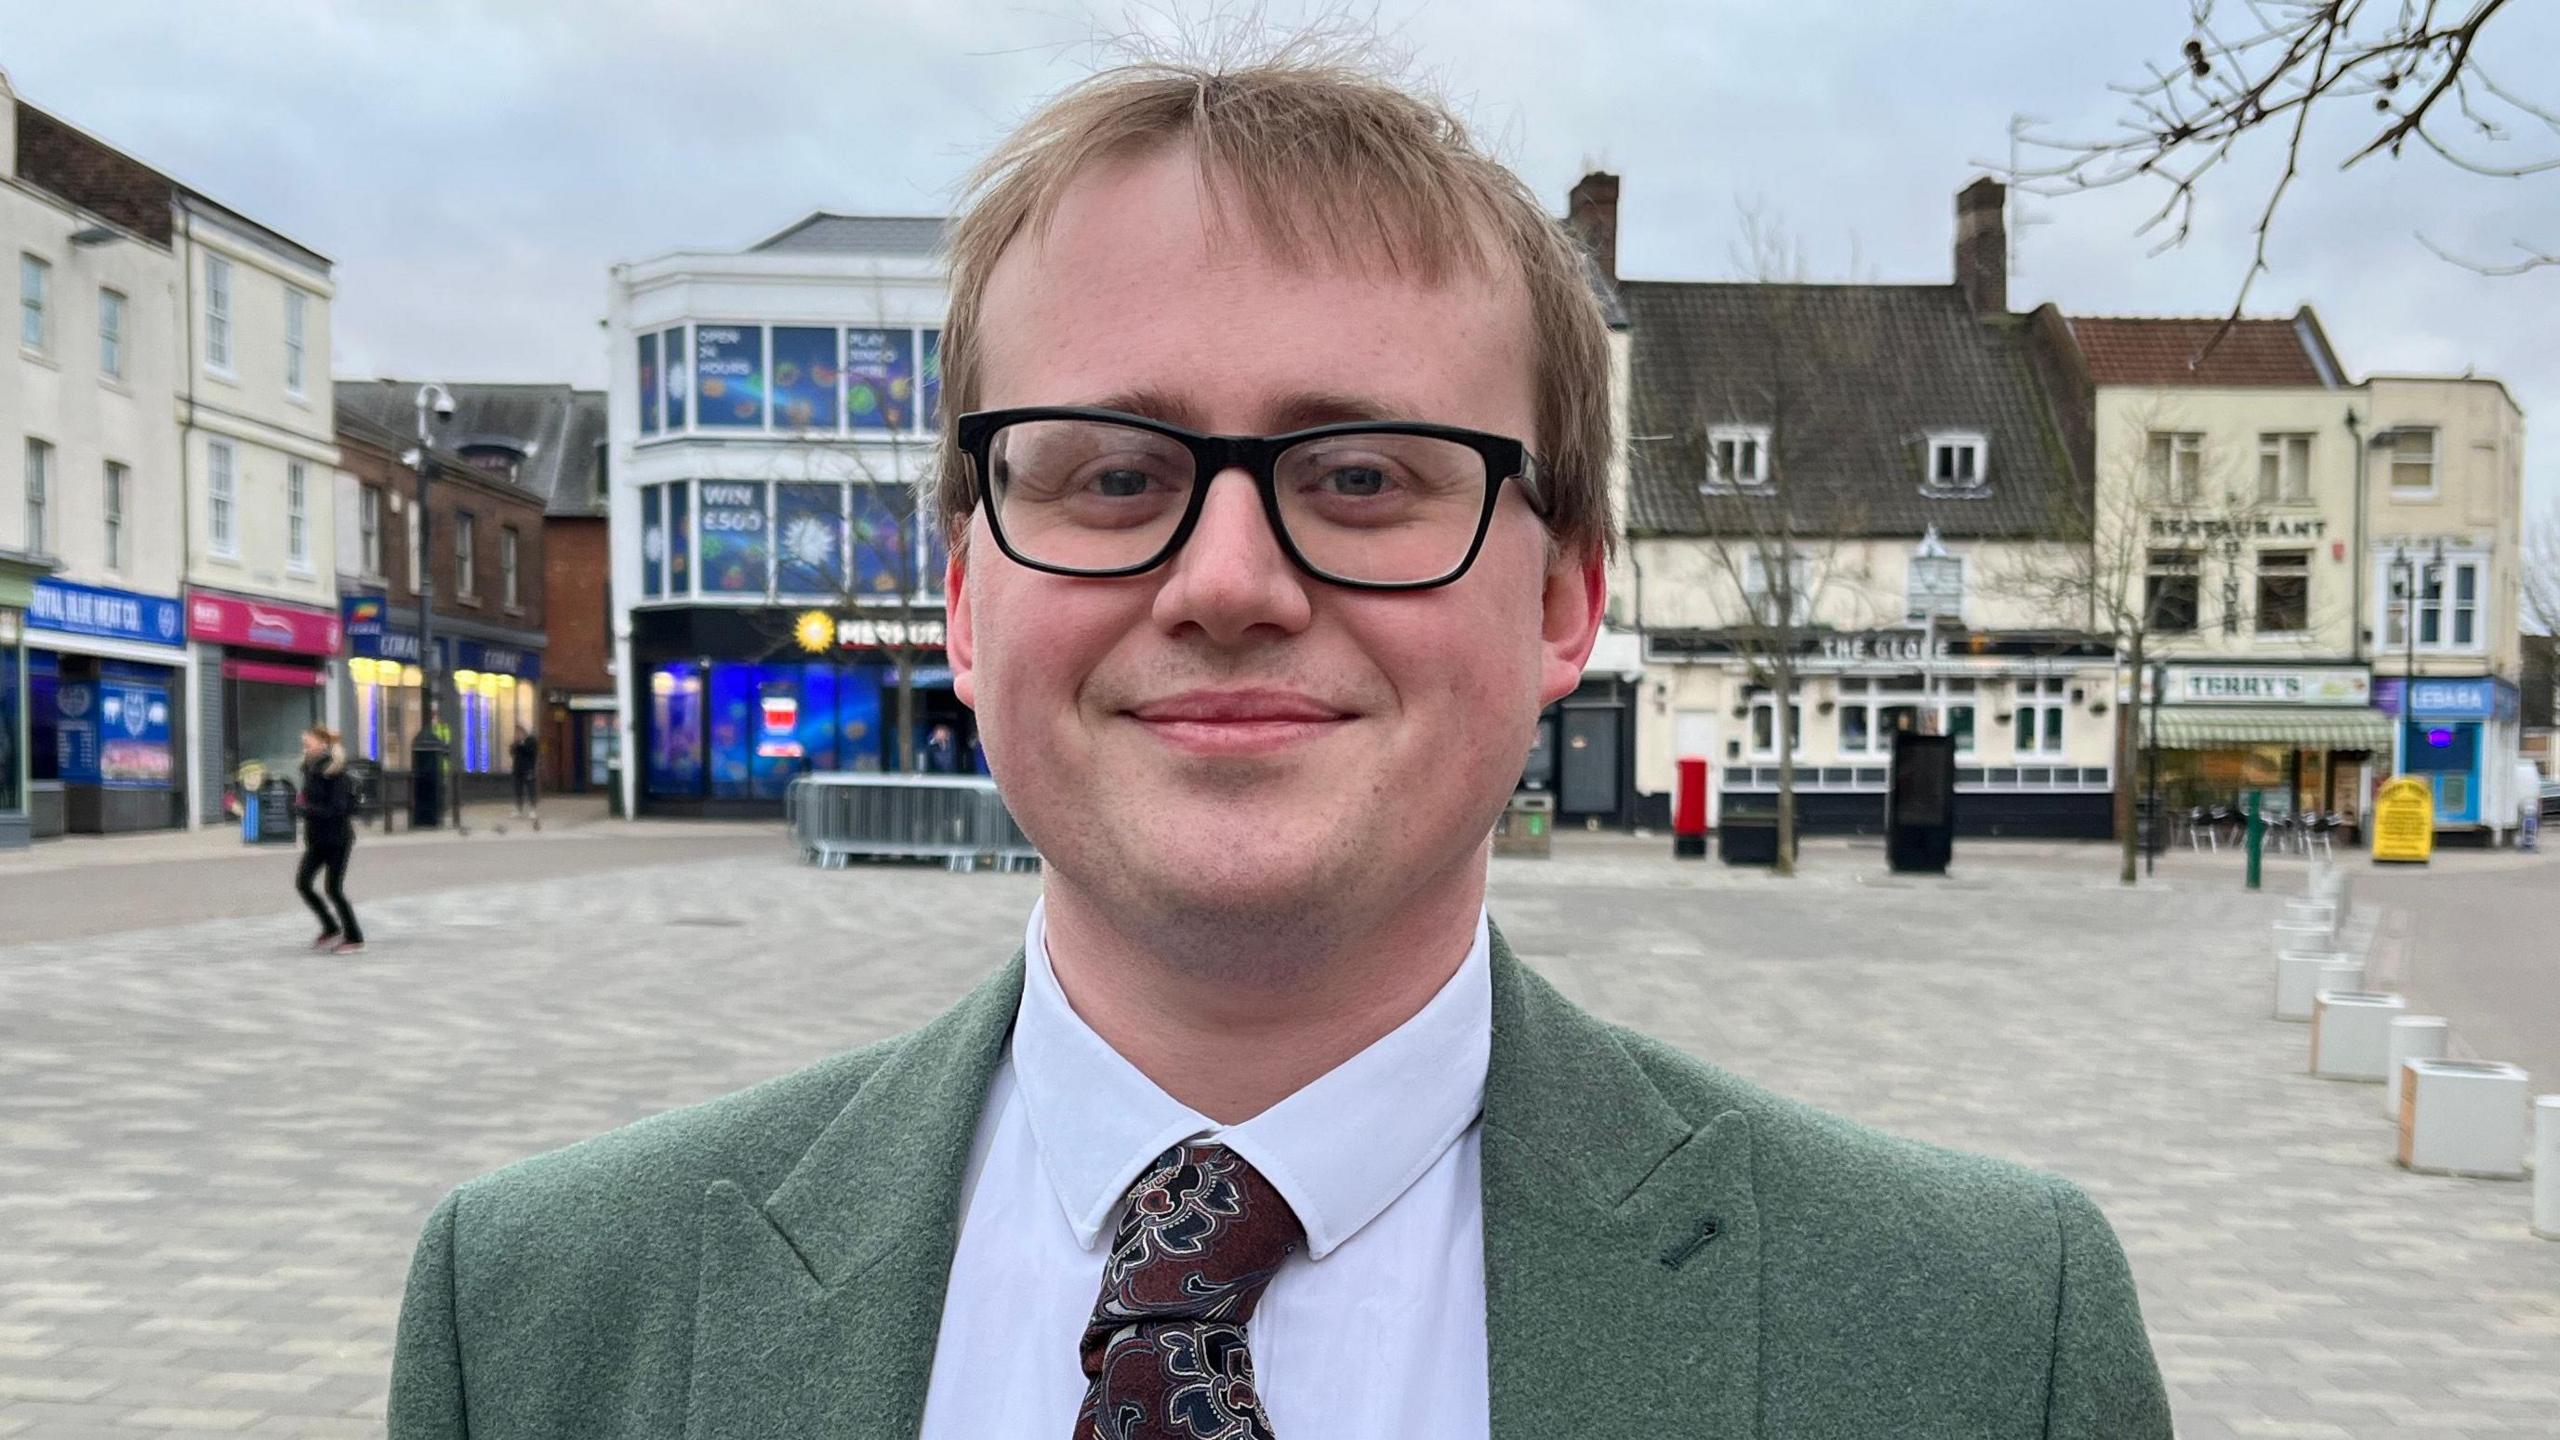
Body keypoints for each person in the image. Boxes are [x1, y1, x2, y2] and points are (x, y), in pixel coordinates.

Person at [390, 56, 2170, 1439]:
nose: (1226, 580)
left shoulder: (1983, 1341)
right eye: (1110, 475)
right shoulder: (546, 1318)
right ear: (963, 594)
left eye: (1363, 477)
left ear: (1563, 600)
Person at [293, 726, 363, 956]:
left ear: (323, 744)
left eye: (308, 743)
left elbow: (338, 809)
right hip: (316, 839)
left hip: (337, 839)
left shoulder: (335, 772)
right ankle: (331, 927)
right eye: (304, 743)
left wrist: (305, 810)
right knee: (303, 883)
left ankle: (354, 937)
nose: (304, 747)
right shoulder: (310, 770)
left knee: (333, 889)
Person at [508, 731, 539, 816]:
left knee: (531, 790)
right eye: (516, 734)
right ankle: (519, 810)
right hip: (518, 770)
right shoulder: (517, 743)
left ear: (524, 733)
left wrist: (521, 743)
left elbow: (530, 752)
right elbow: (511, 752)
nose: (517, 735)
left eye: (519, 733)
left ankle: (533, 810)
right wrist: (515, 745)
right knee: (518, 790)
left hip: (528, 770)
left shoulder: (531, 741)